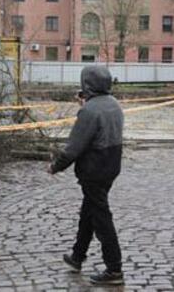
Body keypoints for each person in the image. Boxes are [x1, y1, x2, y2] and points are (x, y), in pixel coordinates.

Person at [49, 66, 124, 286]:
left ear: (87, 84)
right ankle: (77, 256)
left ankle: (114, 268)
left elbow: (74, 147)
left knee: (101, 218)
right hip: (110, 167)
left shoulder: (90, 111)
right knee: (89, 212)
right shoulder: (114, 105)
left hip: (94, 171)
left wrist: (55, 166)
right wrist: (87, 104)